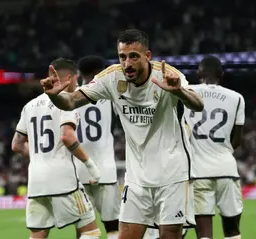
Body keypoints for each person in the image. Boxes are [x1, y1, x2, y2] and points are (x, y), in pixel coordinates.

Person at [40, 29, 204, 239]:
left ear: (147, 56)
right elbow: (71, 101)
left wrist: (178, 91)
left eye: (134, 56)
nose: (127, 63)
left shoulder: (166, 74)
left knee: (169, 236)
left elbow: (198, 105)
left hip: (172, 173)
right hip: (136, 177)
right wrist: (56, 96)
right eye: (122, 56)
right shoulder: (111, 77)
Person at [12, 58, 102, 239]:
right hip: (63, 179)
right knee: (90, 231)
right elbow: (67, 136)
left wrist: (40, 156)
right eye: (76, 79)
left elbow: (16, 145)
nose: (77, 83)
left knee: (38, 234)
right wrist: (90, 165)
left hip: (36, 181)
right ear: (69, 77)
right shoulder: (66, 102)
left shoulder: (29, 106)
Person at [182, 56, 245, 239]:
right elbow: (237, 140)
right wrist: (221, 151)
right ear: (222, 75)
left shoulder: (186, 93)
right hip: (226, 169)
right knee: (232, 231)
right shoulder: (237, 98)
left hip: (198, 171)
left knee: (204, 235)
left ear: (198, 74)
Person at [75, 55, 120, 239]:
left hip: (78, 171)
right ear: (97, 73)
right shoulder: (110, 95)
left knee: (85, 230)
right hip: (106, 170)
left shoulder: (70, 97)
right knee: (113, 227)